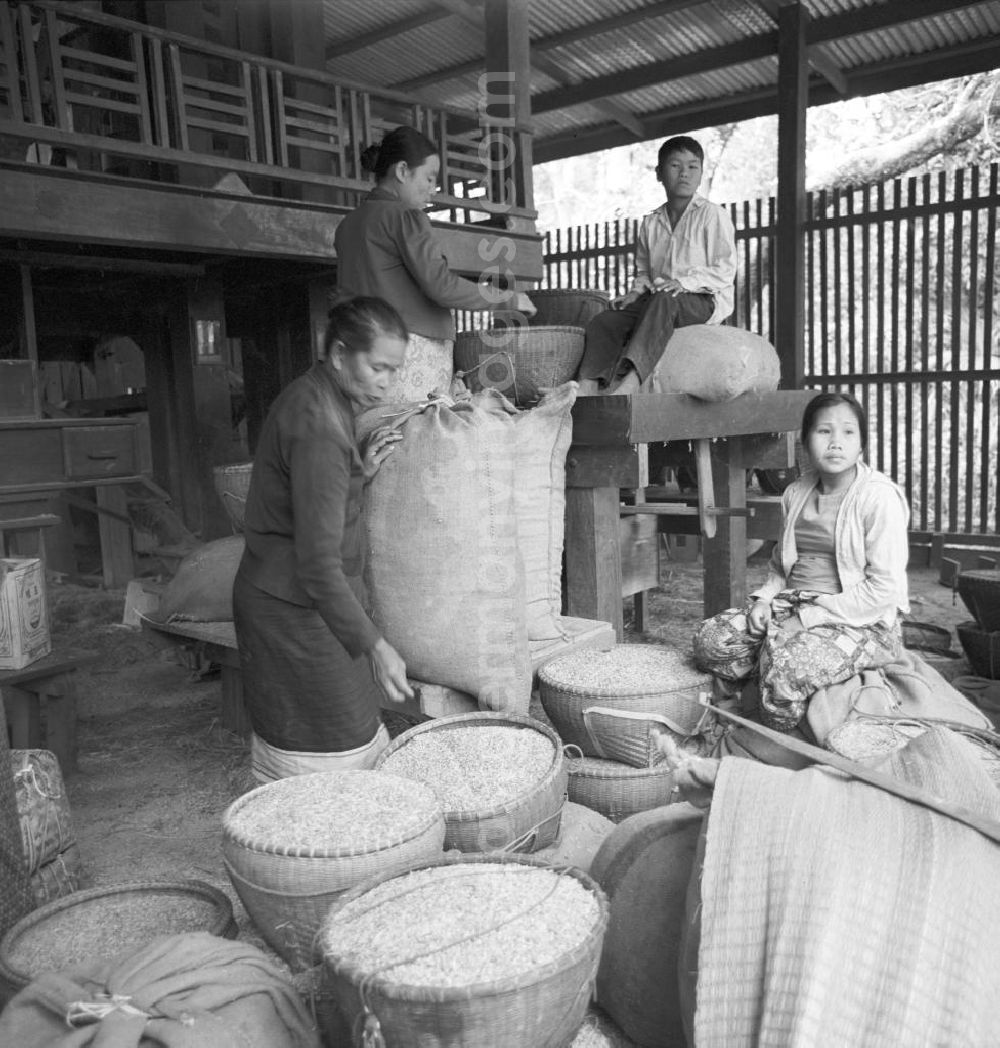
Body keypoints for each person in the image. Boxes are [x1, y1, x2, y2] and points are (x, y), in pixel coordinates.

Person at [233, 296, 414, 782]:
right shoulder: (319, 426)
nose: (386, 381)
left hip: (302, 599)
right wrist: (376, 646)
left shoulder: (319, 397)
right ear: (338, 355)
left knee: (346, 727)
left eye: (393, 371)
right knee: (331, 739)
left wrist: (359, 471)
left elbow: (312, 498)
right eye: (377, 366)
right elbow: (317, 565)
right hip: (290, 605)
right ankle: (310, 847)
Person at [692, 391, 909, 732]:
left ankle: (779, 724)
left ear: (862, 444)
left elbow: (884, 588)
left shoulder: (879, 498)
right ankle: (766, 676)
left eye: (848, 433)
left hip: (860, 618)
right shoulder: (796, 492)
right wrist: (764, 599)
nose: (836, 442)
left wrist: (809, 620)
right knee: (711, 641)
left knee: (786, 673)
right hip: (794, 603)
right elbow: (781, 566)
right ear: (806, 441)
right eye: (824, 432)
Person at [335, 124, 536, 401]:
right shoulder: (406, 218)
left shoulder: (347, 225)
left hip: (359, 355)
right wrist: (507, 299)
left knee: (374, 440)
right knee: (415, 437)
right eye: (429, 179)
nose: (433, 190)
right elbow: (440, 286)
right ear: (403, 171)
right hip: (409, 353)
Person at [576, 135, 737, 396]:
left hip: (702, 301)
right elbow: (644, 273)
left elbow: (725, 269)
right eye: (675, 166)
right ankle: (589, 384)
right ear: (659, 173)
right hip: (659, 301)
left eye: (692, 167)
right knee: (605, 321)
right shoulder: (651, 223)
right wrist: (635, 293)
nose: (684, 173)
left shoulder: (712, 214)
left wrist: (684, 283)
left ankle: (631, 382)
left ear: (700, 174)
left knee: (664, 298)